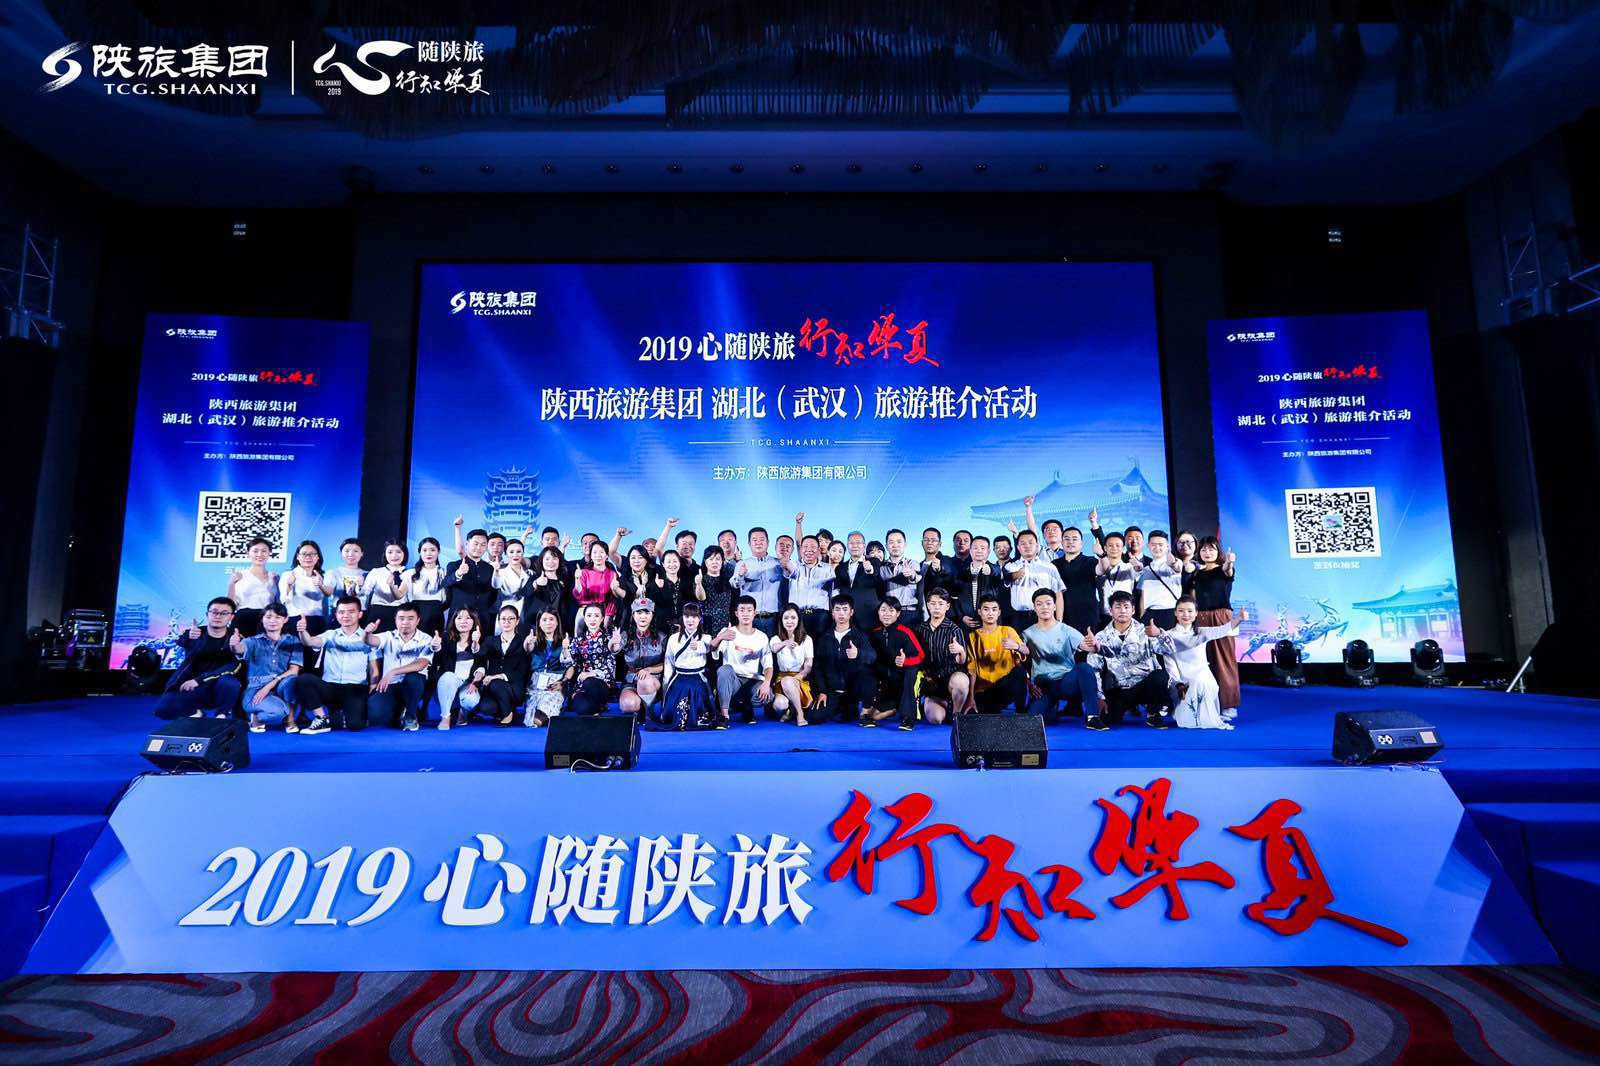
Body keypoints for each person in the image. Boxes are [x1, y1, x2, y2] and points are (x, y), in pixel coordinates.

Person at [1149, 599, 1246, 730]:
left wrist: (1239, 619)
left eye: (1190, 611)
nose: (1186, 615)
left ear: (1196, 614)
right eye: (1181, 611)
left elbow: (1222, 630)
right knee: (1184, 716)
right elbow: (1170, 664)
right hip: (1181, 680)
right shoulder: (1168, 636)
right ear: (1175, 613)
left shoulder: (1202, 632)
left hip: (1202, 677)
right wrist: (1178, 684)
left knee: (1201, 681)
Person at [1083, 590, 1173, 731]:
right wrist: (1100, 698)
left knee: (1160, 677)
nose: (1122, 611)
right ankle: (1122, 708)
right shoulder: (1100, 637)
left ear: (1133, 610)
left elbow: (1169, 650)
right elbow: (1094, 669)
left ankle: (1153, 713)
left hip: (1144, 686)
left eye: (1126, 606)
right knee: (1106, 719)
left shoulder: (1146, 631)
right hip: (1118, 689)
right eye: (1118, 607)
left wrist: (1160, 634)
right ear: (1110, 611)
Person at [294, 597, 376, 733]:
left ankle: (341, 712)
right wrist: (302, 631)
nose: (346, 616)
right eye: (341, 612)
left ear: (360, 614)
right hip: (330, 686)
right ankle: (321, 718)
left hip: (355, 688)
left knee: (355, 725)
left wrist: (372, 687)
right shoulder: (330, 635)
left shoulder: (368, 638)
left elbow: (374, 666)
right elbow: (309, 642)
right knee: (304, 680)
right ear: (336, 614)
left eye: (351, 612)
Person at [153, 597, 242, 720]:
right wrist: (190, 637)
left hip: (218, 686)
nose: (218, 616)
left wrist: (236, 646)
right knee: (162, 710)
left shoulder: (236, 638)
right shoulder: (194, 633)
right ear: (207, 614)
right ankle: (196, 712)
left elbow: (234, 665)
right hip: (191, 685)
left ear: (231, 617)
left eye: (224, 613)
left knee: (230, 683)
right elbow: (182, 641)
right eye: (214, 612)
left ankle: (222, 714)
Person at [1021, 588, 1102, 723]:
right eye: (1039, 604)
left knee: (1084, 668)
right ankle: (1052, 707)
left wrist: (1095, 644)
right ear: (1034, 608)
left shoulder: (1066, 630)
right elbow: (1020, 661)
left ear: (1054, 606)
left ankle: (1093, 717)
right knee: (1035, 721)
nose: (1044, 607)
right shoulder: (1027, 634)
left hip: (1066, 682)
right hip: (1044, 686)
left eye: (1048, 603)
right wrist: (1029, 683)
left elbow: (1090, 648)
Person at [1186, 536, 1241, 719]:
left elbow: (1228, 570)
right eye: (1204, 549)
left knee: (1224, 660)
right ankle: (1208, 702)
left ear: (1218, 552)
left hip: (1221, 616)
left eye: (1211, 549)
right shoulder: (1196, 574)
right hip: (1201, 617)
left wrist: (1230, 562)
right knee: (1203, 660)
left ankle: (1228, 704)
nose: (1207, 553)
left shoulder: (1223, 570)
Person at [231, 602, 301, 732]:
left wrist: (269, 685)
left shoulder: (293, 640)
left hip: (281, 686)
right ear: (262, 619)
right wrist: (234, 645)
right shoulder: (252, 641)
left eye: (278, 617)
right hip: (256, 690)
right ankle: (256, 715)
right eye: (268, 617)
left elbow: (294, 670)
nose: (272, 621)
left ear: (285, 619)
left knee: (293, 680)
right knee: (279, 712)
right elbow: (240, 649)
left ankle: (290, 719)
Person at [365, 602, 434, 730]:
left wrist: (393, 671)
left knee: (413, 678)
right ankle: (403, 709)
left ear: (418, 620)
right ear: (395, 620)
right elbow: (372, 641)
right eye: (401, 618)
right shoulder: (388, 636)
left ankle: (410, 716)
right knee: (376, 716)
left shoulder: (426, 639)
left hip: (415, 685)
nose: (405, 622)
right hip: (391, 685)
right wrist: (367, 634)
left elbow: (421, 664)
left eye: (410, 618)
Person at [811, 593, 876, 725]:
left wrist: (858, 653)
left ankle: (865, 712)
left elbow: (872, 657)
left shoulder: (859, 636)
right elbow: (818, 667)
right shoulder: (824, 638)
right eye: (837, 609)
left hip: (852, 692)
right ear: (832, 613)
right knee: (814, 718)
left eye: (845, 609)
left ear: (851, 612)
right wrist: (822, 691)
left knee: (868, 674)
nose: (841, 613)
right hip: (832, 692)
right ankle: (840, 709)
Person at [710, 596, 774, 725]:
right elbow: (711, 648)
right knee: (724, 670)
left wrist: (767, 683)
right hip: (733, 681)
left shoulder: (762, 637)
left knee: (768, 696)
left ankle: (745, 705)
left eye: (749, 610)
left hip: (752, 681)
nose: (745, 614)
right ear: (736, 613)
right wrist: (720, 637)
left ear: (754, 613)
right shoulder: (728, 632)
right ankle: (724, 716)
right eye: (742, 610)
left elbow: (768, 665)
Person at [865, 599, 925, 730]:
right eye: (883, 610)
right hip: (891, 681)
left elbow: (920, 656)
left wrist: (905, 661)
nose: (887, 614)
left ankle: (908, 717)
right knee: (874, 716)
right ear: (878, 612)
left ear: (898, 613)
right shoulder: (874, 633)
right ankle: (897, 707)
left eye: (891, 610)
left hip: (908, 675)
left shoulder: (905, 632)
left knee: (910, 673)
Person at [656, 602, 715, 731]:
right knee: (680, 689)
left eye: (694, 617)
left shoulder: (706, 638)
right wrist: (666, 685)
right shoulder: (673, 638)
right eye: (687, 616)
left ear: (700, 619)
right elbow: (669, 663)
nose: (690, 620)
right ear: (682, 618)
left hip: (698, 677)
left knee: (694, 689)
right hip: (679, 676)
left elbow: (712, 650)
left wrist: (700, 646)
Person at [966, 594, 1029, 715]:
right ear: (979, 612)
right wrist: (971, 698)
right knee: (981, 716)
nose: (990, 613)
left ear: (999, 612)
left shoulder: (1007, 631)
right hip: (985, 690)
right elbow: (972, 670)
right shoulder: (973, 637)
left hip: (1005, 686)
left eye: (994, 609)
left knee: (1019, 672)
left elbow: (1026, 651)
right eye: (986, 609)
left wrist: (1017, 646)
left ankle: (1021, 713)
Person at [916, 588, 969, 725]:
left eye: (940, 604)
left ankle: (956, 714)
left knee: (961, 681)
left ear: (947, 606)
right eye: (933, 603)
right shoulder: (920, 629)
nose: (936, 607)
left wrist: (961, 651)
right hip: (931, 682)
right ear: (928, 605)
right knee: (936, 719)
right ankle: (939, 703)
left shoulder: (955, 629)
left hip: (950, 678)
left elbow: (961, 661)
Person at [474, 604, 532, 726]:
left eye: (511, 619)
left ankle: (507, 715)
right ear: (499, 621)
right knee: (486, 707)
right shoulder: (490, 640)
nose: (507, 622)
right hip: (493, 689)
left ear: (517, 621)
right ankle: (509, 709)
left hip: (514, 687)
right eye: (503, 619)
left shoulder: (523, 642)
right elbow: (480, 654)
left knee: (496, 683)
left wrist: (497, 676)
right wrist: (475, 642)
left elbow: (522, 671)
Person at [730, 526, 791, 636]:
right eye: (755, 540)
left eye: (762, 539)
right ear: (749, 544)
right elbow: (734, 584)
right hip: (751, 619)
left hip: (775, 618)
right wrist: (740, 575)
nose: (758, 543)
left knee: (775, 646)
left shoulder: (778, 563)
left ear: (768, 542)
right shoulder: (742, 564)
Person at [431, 607, 482, 730]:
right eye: (459, 618)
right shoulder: (445, 638)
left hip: (468, 684)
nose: (463, 621)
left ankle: (462, 712)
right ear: (454, 621)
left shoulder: (481, 639)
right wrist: (435, 647)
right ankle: (445, 717)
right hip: (447, 685)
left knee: (470, 700)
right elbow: (436, 655)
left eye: (467, 618)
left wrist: (476, 642)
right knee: (448, 676)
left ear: (474, 621)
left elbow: (482, 663)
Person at [1003, 529, 1063, 632]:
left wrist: (1059, 620)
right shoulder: (1010, 567)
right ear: (1018, 547)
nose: (1027, 546)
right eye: (1023, 543)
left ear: (1037, 545)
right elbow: (1005, 580)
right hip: (1019, 618)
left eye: (1031, 543)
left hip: (1045, 616)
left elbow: (1058, 594)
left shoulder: (1050, 567)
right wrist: (1015, 575)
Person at [566, 603, 618, 717]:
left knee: (590, 682)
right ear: (584, 619)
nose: (592, 619)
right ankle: (597, 708)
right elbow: (570, 663)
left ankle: (598, 705)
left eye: (596, 616)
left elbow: (611, 666)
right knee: (582, 708)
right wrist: (565, 648)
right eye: (589, 616)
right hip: (582, 684)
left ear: (602, 619)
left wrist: (592, 674)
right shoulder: (578, 640)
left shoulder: (608, 639)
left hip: (602, 682)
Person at [618, 598, 667, 716]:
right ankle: (639, 709)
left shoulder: (662, 637)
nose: (643, 616)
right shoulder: (624, 636)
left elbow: (667, 663)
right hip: (631, 680)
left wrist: (649, 670)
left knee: (644, 681)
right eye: (639, 613)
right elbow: (614, 650)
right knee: (628, 705)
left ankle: (649, 714)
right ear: (633, 615)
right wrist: (613, 644)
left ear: (652, 615)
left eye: (646, 613)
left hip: (653, 681)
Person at [769, 604, 815, 726]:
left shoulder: (807, 639)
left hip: (800, 678)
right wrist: (785, 643)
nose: (789, 621)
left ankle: (800, 713)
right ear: (781, 620)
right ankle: (790, 708)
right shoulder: (776, 638)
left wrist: (796, 678)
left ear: (799, 620)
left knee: (788, 681)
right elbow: (774, 648)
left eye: (793, 618)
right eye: (786, 618)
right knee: (779, 705)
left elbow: (808, 666)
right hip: (781, 679)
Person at [522, 608, 568, 727]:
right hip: (535, 683)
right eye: (544, 620)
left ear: (557, 622)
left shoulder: (565, 641)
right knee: (530, 718)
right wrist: (528, 643)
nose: (548, 623)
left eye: (551, 619)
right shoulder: (533, 640)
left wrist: (563, 682)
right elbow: (528, 649)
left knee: (538, 719)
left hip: (555, 682)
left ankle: (553, 710)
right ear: (539, 623)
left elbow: (571, 666)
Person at [1053, 525, 1102, 635]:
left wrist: (1101, 555)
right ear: (1061, 542)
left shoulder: (1090, 561)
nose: (1070, 542)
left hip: (1088, 616)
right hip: (1063, 617)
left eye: (1074, 539)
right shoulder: (1054, 565)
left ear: (1081, 543)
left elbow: (1102, 570)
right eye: (1066, 539)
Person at [279, 540, 333, 635]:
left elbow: (328, 596)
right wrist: (289, 585)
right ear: (297, 557)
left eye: (312, 554)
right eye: (304, 554)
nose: (308, 557)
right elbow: (283, 599)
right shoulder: (288, 575)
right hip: (296, 620)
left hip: (318, 621)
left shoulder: (322, 577)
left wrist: (321, 585)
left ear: (318, 557)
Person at [227, 537, 276, 637]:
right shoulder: (239, 576)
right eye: (255, 551)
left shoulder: (275, 577)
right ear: (248, 553)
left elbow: (277, 604)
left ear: (269, 553)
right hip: (244, 620)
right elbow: (231, 605)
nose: (260, 554)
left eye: (264, 551)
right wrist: (231, 584)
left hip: (267, 621)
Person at [443, 528, 496, 620]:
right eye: (476, 544)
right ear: (467, 544)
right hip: (459, 618)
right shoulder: (454, 565)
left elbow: (493, 593)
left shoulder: (489, 568)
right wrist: (458, 574)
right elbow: (445, 583)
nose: (479, 547)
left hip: (482, 617)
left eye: (483, 544)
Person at [573, 540, 623, 636]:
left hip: (605, 610)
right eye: (595, 552)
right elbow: (578, 593)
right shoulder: (584, 572)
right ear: (591, 556)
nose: (598, 555)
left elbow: (614, 598)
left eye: (601, 552)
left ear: (607, 556)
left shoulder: (612, 574)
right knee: (579, 629)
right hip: (586, 608)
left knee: (607, 632)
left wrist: (608, 614)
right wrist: (577, 579)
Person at [1135, 531, 1184, 630]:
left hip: (1170, 612)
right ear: (1148, 546)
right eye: (1153, 544)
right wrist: (1141, 616)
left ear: (1167, 546)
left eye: (1161, 545)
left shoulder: (1176, 562)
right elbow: (1143, 596)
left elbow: (1177, 568)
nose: (1157, 548)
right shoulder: (1146, 569)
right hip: (1149, 614)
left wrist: (1173, 564)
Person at [955, 535, 1005, 629]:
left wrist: (990, 570)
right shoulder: (962, 572)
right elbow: (956, 597)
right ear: (970, 551)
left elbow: (997, 573)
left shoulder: (995, 568)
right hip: (967, 623)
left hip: (990, 623)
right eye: (975, 548)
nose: (979, 551)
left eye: (982, 548)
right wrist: (962, 617)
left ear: (988, 551)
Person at [789, 535, 834, 637]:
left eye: (813, 546)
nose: (809, 550)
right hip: (797, 615)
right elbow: (787, 568)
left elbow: (832, 594)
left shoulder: (828, 569)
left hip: (821, 616)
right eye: (805, 546)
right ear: (800, 550)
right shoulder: (794, 566)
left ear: (819, 550)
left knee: (820, 645)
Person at [402, 537, 448, 637]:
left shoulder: (444, 573)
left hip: (436, 614)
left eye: (432, 550)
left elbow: (447, 599)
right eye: (424, 550)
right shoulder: (411, 573)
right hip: (416, 613)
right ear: (419, 552)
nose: (428, 553)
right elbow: (403, 597)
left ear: (438, 552)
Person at [362, 540, 410, 633]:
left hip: (402, 614)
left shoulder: (410, 573)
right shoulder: (376, 572)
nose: (394, 556)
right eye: (390, 552)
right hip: (379, 612)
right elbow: (364, 593)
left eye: (398, 552)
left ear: (404, 553)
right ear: (385, 554)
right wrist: (359, 586)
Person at [834, 531, 884, 619]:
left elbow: (875, 572)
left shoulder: (874, 561)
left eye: (858, 543)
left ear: (864, 546)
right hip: (846, 616)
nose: (855, 546)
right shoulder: (840, 568)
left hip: (869, 614)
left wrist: (869, 569)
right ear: (847, 545)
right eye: (851, 543)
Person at [1095, 531, 1140, 625]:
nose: (1114, 548)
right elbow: (1100, 571)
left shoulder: (1129, 567)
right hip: (1103, 616)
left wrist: (1137, 565)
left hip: (1125, 616)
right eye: (1110, 545)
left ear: (1123, 548)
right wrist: (1100, 555)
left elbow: (1138, 569)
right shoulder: (1099, 566)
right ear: (1105, 548)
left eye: (1117, 545)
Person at [881, 529, 923, 628]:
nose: (895, 545)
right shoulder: (881, 567)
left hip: (909, 613)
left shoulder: (912, 563)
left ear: (905, 544)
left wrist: (911, 574)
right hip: (889, 613)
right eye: (891, 542)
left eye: (899, 542)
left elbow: (916, 577)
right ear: (886, 546)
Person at [525, 545, 570, 627]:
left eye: (554, 558)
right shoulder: (535, 578)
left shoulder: (564, 580)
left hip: (559, 623)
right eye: (547, 559)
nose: (551, 562)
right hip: (538, 623)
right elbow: (526, 593)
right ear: (541, 561)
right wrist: (536, 583)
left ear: (559, 561)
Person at [695, 546, 735, 638]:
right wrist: (698, 584)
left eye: (718, 559)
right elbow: (701, 598)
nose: (714, 562)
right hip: (707, 624)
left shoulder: (727, 579)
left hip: (725, 623)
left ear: (722, 561)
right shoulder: (701, 579)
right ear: (705, 562)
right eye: (711, 559)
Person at [917, 527, 954, 620]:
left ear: (939, 544)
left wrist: (938, 570)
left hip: (940, 616)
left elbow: (947, 572)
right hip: (920, 616)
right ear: (922, 543)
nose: (929, 542)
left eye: (933, 540)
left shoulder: (947, 561)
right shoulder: (918, 565)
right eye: (926, 540)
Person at [493, 538, 534, 618]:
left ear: (523, 553)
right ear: (506, 553)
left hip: (525, 613)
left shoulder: (530, 573)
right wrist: (496, 571)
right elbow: (496, 585)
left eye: (518, 552)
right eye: (511, 552)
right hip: (506, 613)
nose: (515, 555)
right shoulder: (501, 572)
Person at [657, 549, 693, 625]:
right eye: (668, 562)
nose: (672, 564)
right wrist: (659, 589)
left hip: (685, 624)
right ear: (663, 564)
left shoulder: (687, 582)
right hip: (662, 625)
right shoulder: (657, 582)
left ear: (679, 562)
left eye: (675, 561)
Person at [330, 538, 367, 603]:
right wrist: (321, 585)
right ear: (341, 553)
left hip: (362, 608)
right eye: (347, 551)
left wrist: (363, 586)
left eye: (355, 551)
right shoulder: (333, 573)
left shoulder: (368, 574)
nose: (351, 554)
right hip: (339, 608)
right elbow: (328, 592)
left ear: (362, 553)